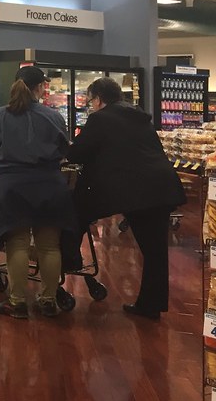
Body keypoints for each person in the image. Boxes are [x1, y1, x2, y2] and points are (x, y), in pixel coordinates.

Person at [67, 77, 185, 320]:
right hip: (161, 184)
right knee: (155, 251)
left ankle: (69, 261)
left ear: (98, 99)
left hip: (133, 190)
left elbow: (78, 152)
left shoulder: (100, 118)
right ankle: (151, 305)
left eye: (91, 101)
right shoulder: (139, 116)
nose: (91, 106)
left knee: (78, 214)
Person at [0, 65, 75, 319]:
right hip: (50, 184)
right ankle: (48, 300)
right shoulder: (53, 116)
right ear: (39, 88)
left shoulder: (0, 115)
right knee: (49, 246)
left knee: (18, 243)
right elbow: (64, 148)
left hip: (12, 186)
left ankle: (17, 302)